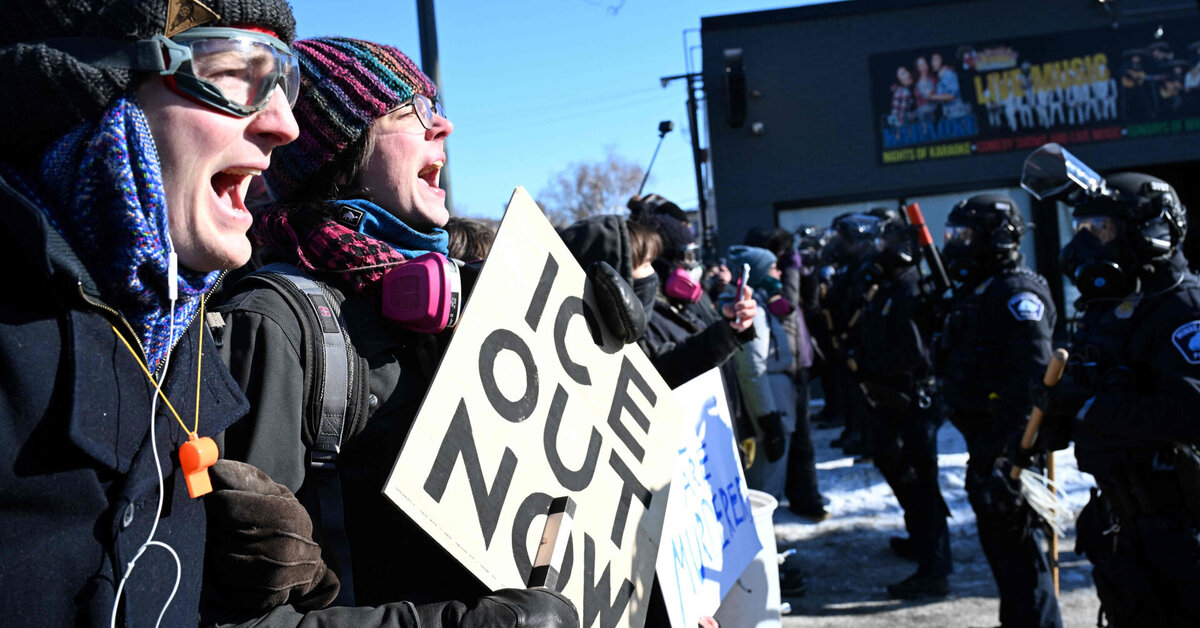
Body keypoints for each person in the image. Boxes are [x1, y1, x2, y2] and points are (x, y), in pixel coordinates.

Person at [212, 36, 577, 625]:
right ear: (340, 148)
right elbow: (246, 619)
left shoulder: (469, 300)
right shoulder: (274, 324)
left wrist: (597, 333)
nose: (446, 126)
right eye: (415, 112)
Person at [0, 0, 307, 624]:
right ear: (91, 81)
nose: (284, 125)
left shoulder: (180, 342)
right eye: (230, 73)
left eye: (284, 80)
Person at [1030, 171, 1200, 626]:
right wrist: (1056, 413)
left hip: (1182, 526)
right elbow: (1095, 405)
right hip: (1126, 522)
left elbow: (1187, 415)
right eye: (1080, 231)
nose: (1085, 246)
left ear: (1147, 233)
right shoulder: (1111, 311)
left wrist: (1086, 404)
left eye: (1100, 230)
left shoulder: (1183, 309)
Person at [938, 195, 1062, 627]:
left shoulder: (1016, 292)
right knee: (1007, 562)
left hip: (1012, 451)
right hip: (987, 444)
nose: (955, 245)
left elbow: (1033, 382)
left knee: (1024, 562)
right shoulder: (980, 289)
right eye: (952, 235)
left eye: (964, 236)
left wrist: (1013, 457)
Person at [850, 218, 952, 598]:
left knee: (920, 484)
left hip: (911, 403)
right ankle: (920, 542)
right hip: (890, 402)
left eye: (888, 242)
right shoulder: (889, 286)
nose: (880, 249)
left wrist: (869, 367)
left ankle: (935, 567)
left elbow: (913, 352)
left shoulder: (910, 287)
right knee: (904, 478)